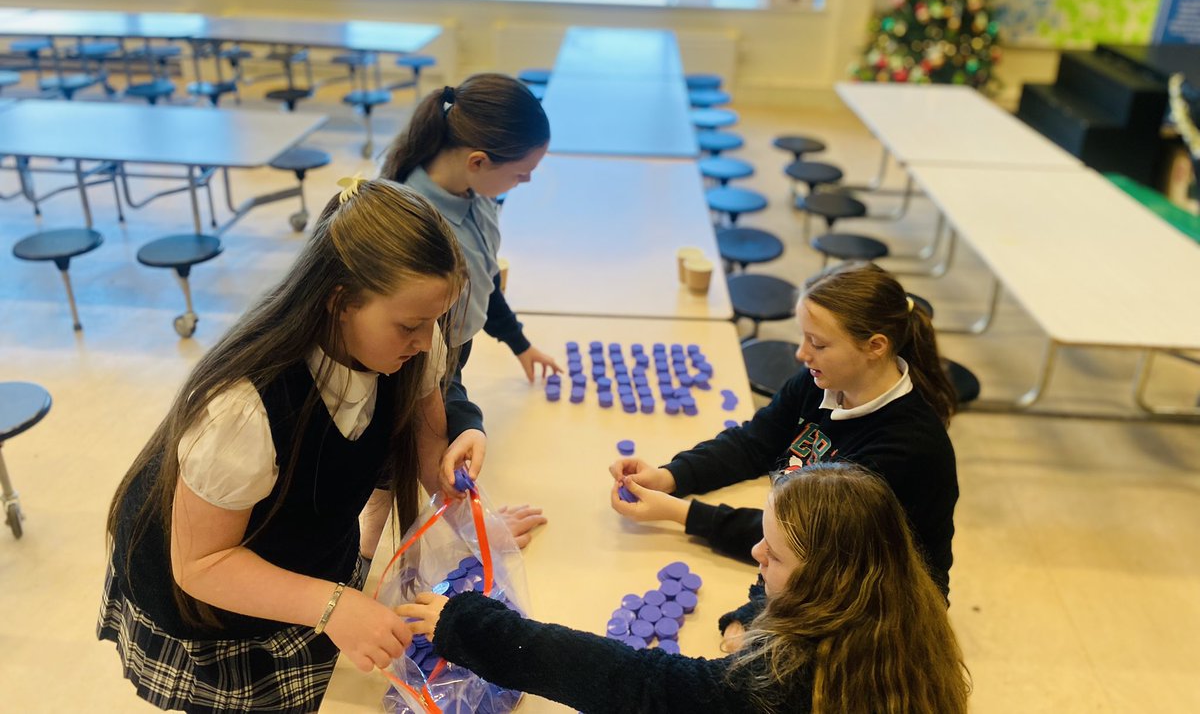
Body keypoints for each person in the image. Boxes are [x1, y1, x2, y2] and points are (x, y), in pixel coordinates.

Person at [98, 178, 476, 714]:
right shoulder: (243, 409)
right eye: (410, 326)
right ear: (339, 302)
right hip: (212, 592)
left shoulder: (408, 344)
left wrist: (465, 504)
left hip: (301, 553)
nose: (425, 342)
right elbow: (203, 563)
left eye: (434, 322)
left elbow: (426, 430)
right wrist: (334, 605)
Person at [398, 463, 971, 714]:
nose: (756, 553)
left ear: (824, 582)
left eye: (774, 553)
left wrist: (466, 626)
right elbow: (772, 576)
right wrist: (754, 610)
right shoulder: (890, 604)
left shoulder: (787, 685)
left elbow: (635, 685)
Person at [609, 261, 959, 622]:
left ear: (875, 346)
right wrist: (672, 477)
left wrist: (678, 513)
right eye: (803, 337)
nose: (802, 354)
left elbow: (806, 544)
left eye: (818, 343)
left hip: (884, 604)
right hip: (813, 560)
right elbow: (754, 442)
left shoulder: (906, 450)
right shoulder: (822, 379)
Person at [380, 73, 558, 543]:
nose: (528, 180)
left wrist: (519, 343)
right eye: (521, 173)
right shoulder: (421, 233)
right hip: (418, 376)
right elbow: (428, 382)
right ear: (478, 161)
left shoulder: (477, 193)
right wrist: (477, 526)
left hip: (446, 357)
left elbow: (484, 280)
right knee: (397, 467)